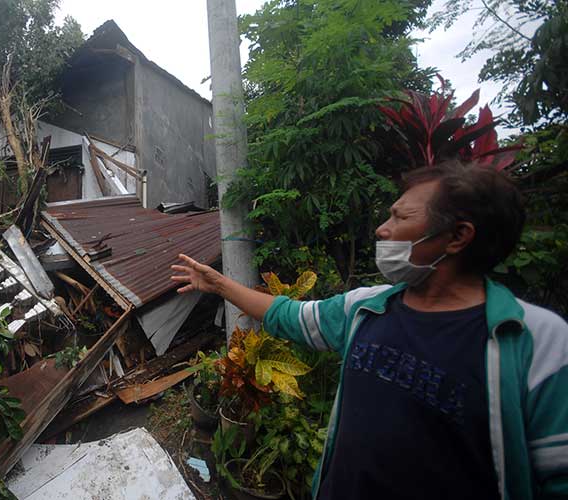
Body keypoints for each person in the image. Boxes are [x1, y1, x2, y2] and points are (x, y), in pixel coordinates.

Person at [170, 161, 568, 500]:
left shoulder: (536, 342)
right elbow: (288, 315)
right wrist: (219, 284)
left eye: (401, 216)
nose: (382, 228)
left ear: (458, 236)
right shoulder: (366, 308)